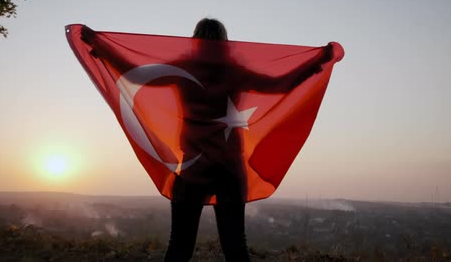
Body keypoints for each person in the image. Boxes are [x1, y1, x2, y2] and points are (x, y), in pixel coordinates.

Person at [81, 18, 333, 262]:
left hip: (193, 169)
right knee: (235, 248)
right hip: (230, 171)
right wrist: (316, 63)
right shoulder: (236, 72)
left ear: (195, 41)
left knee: (179, 247)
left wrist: (99, 47)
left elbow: (135, 75)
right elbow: (279, 84)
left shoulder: (184, 68)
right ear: (225, 42)